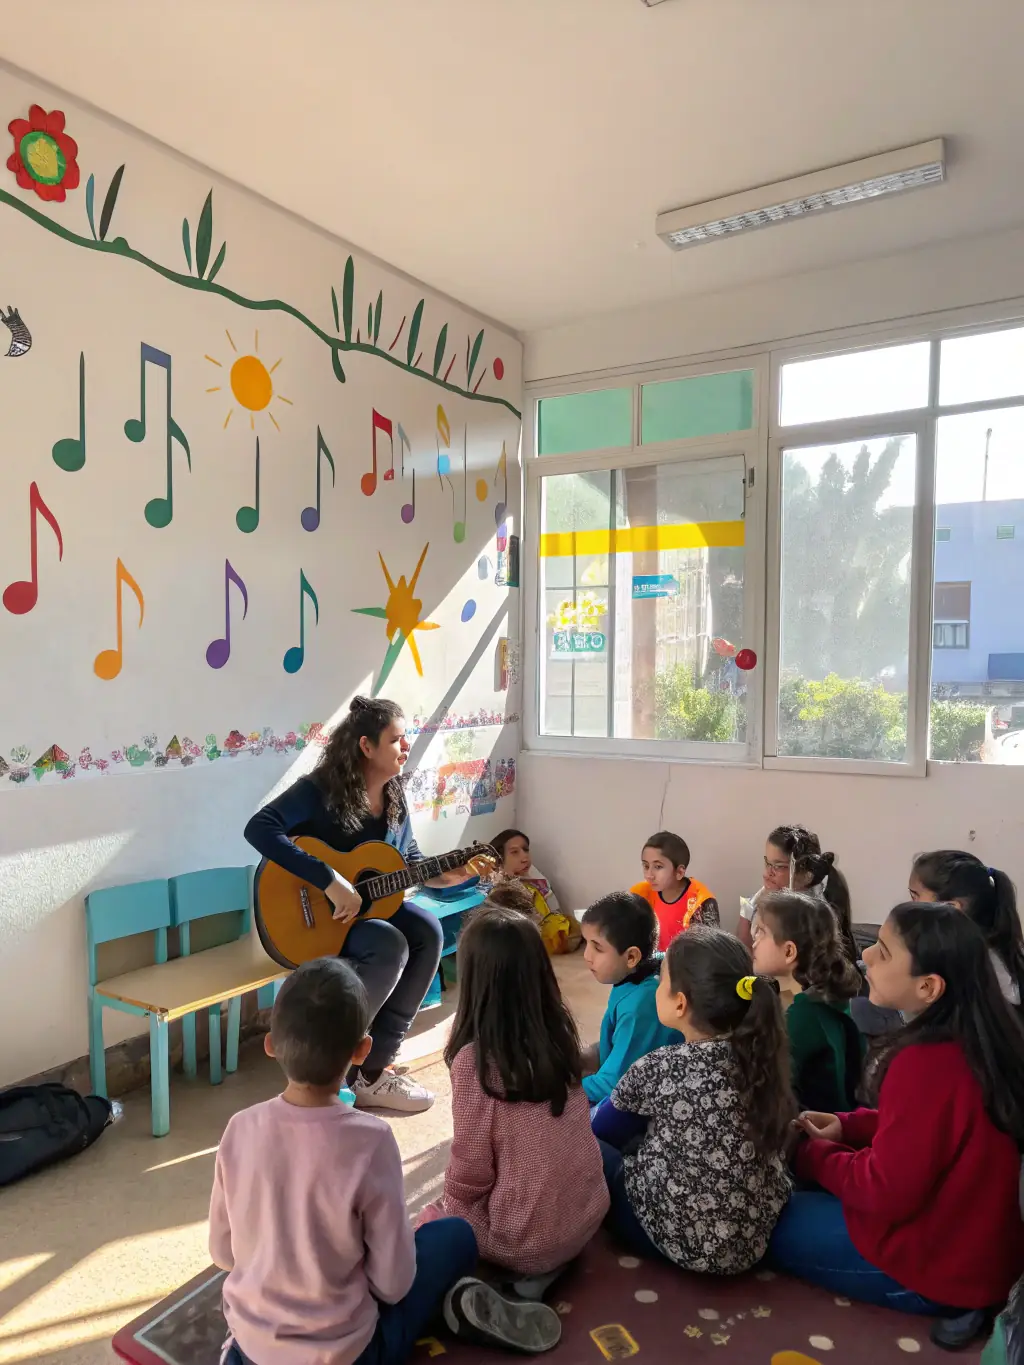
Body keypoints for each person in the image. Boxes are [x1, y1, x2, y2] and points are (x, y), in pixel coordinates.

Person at [211, 958, 558, 1364]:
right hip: (350, 1353)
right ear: (362, 1051)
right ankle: (451, 1308)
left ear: (270, 1044)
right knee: (456, 1237)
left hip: (251, 1350)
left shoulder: (239, 1128)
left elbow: (224, 1253)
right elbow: (392, 1285)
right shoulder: (370, 1140)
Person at [770, 903, 1024, 1349]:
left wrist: (809, 1154)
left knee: (762, 1219)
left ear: (928, 986)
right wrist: (847, 1128)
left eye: (883, 953)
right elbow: (924, 1129)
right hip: (978, 1251)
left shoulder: (925, 1063)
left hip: (937, 1266)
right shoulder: (983, 1034)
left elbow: (882, 1191)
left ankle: (952, 1303)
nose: (865, 957)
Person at [245, 696, 446, 1114]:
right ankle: (333, 1066)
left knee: (428, 931)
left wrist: (452, 872)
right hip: (315, 918)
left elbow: (407, 861)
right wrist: (329, 879)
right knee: (390, 944)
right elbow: (259, 827)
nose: (406, 747)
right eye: (397, 739)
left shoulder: (395, 796)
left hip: (368, 913)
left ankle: (373, 1070)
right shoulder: (320, 790)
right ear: (366, 746)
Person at [418, 905, 608, 1300]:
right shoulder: (557, 1029)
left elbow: (470, 1171)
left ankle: (514, 1280)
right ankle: (543, 1271)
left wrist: (451, 1205)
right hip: (589, 1212)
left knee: (434, 1224)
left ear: (475, 980)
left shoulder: (474, 1061)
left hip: (529, 1242)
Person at [593, 926, 794, 1274]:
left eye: (661, 979)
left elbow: (602, 1129)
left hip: (676, 1239)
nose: (656, 986)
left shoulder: (658, 1066)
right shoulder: (762, 1057)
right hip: (750, 1240)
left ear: (680, 1003)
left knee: (594, 1148)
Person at [751, 890, 864, 1111]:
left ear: (789, 951)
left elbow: (769, 1082)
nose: (753, 942)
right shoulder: (824, 998)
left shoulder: (805, 1014)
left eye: (761, 933)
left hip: (814, 1133)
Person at [579, 891, 677, 1106]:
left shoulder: (640, 1006)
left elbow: (613, 1086)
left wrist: (560, 1092)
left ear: (632, 957)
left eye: (597, 947)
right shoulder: (640, 973)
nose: (586, 955)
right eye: (585, 943)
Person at [909, 850, 1024, 1006]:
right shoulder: (978, 941)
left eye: (915, 897)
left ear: (950, 907)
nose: (909, 906)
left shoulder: (972, 960)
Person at [738, 823, 857, 963]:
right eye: (767, 863)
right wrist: (746, 915)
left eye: (779, 866)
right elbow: (743, 948)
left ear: (806, 874)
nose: (767, 873)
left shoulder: (808, 915)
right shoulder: (772, 889)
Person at [488, 829, 580, 951]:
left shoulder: (537, 883)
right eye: (514, 852)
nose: (524, 857)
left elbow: (554, 915)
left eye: (525, 850)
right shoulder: (495, 893)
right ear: (498, 860)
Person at [630, 831, 719, 950]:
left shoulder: (701, 902)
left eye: (658, 867)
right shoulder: (639, 894)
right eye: (646, 866)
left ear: (679, 872)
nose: (649, 875)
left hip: (683, 966)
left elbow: (707, 953)